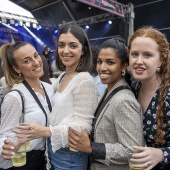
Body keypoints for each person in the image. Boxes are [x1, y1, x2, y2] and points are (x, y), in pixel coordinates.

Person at [7, 25, 98, 170]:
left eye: (73, 46)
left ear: (84, 50)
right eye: (61, 45)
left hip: (70, 157)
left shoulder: (84, 80)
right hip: (53, 153)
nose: (65, 51)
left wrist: (44, 131)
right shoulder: (62, 77)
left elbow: (83, 127)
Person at [68, 38, 144, 170]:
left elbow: (133, 151)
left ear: (124, 66)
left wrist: (92, 147)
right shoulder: (109, 91)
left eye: (110, 62)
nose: (102, 68)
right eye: (99, 62)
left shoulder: (124, 100)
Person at [0, 41, 55, 169]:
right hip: (25, 162)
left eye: (36, 56)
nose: (36, 62)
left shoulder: (49, 88)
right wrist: (7, 146)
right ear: (16, 68)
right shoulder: (15, 97)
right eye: (27, 61)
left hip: (46, 160)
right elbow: (4, 136)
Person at [128, 26, 170, 170]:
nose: (139, 61)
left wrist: (162, 153)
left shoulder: (168, 94)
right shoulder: (132, 89)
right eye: (134, 54)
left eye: (147, 55)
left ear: (161, 60)